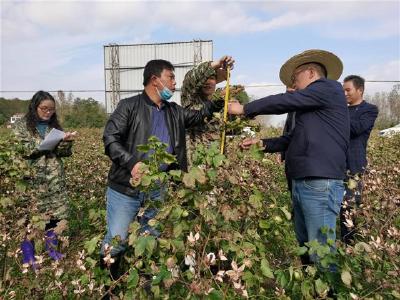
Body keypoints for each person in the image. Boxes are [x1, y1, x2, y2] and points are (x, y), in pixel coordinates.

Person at [100, 59, 224, 277]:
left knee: (150, 237)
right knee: (117, 239)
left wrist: (216, 104)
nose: (175, 83)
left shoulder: (174, 111)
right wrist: (132, 163)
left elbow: (195, 117)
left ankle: (146, 280)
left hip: (158, 188)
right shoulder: (128, 106)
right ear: (155, 80)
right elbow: (110, 139)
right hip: (126, 188)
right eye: (171, 77)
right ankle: (110, 285)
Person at [228, 49, 350, 265]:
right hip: (304, 180)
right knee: (306, 246)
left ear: (311, 73)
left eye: (295, 79)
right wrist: (262, 143)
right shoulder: (312, 109)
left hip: (319, 180)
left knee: (321, 250)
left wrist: (245, 108)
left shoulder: (328, 87)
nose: (293, 86)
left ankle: (328, 293)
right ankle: (313, 291)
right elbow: (292, 138)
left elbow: (284, 100)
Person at [13, 91, 76, 268]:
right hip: (31, 181)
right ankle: (28, 256)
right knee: (29, 219)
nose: (48, 112)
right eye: (44, 109)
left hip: (54, 181)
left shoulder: (54, 128)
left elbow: (65, 153)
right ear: (34, 107)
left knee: (55, 217)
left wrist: (66, 141)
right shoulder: (21, 126)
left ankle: (51, 250)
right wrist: (44, 145)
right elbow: (24, 149)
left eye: (51, 110)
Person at [340, 75, 378, 244]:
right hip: (335, 164)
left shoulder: (370, 110)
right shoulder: (342, 110)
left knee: (349, 209)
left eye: (348, 90)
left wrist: (337, 113)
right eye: (343, 90)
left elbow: (356, 129)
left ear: (360, 90)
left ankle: (350, 247)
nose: (344, 93)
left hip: (355, 166)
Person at [181, 55, 234, 164]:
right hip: (194, 164)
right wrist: (217, 64)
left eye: (212, 78)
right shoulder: (191, 97)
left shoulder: (219, 105)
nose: (208, 82)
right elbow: (192, 78)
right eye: (205, 78)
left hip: (214, 164)